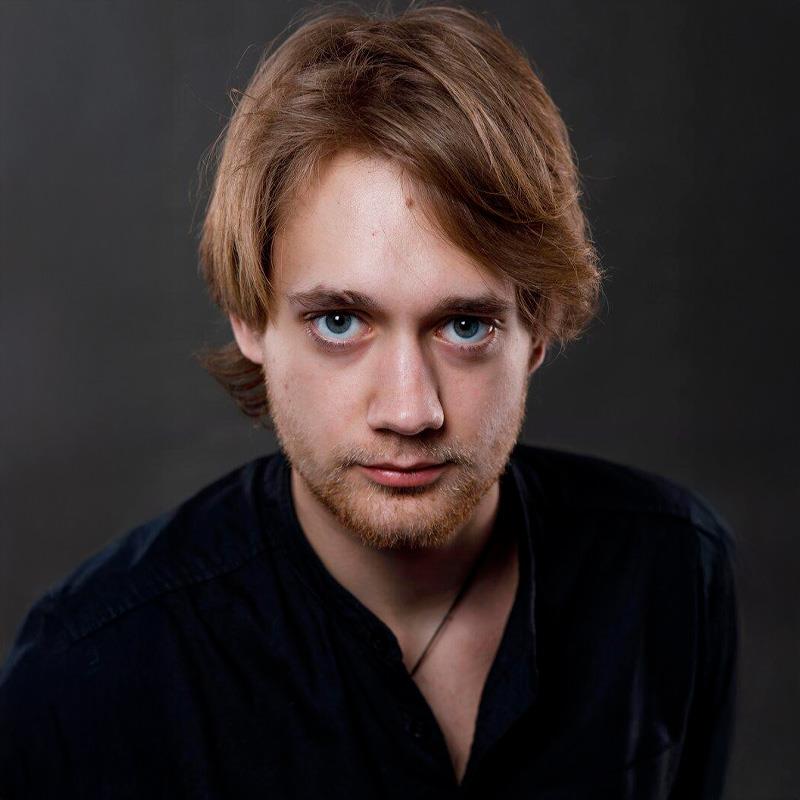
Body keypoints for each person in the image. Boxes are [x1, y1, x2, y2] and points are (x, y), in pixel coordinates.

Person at [0, 3, 739, 798]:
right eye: (340, 321)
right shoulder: (88, 674)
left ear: (539, 328)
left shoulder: (669, 573)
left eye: (464, 326)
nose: (411, 412)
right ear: (249, 316)